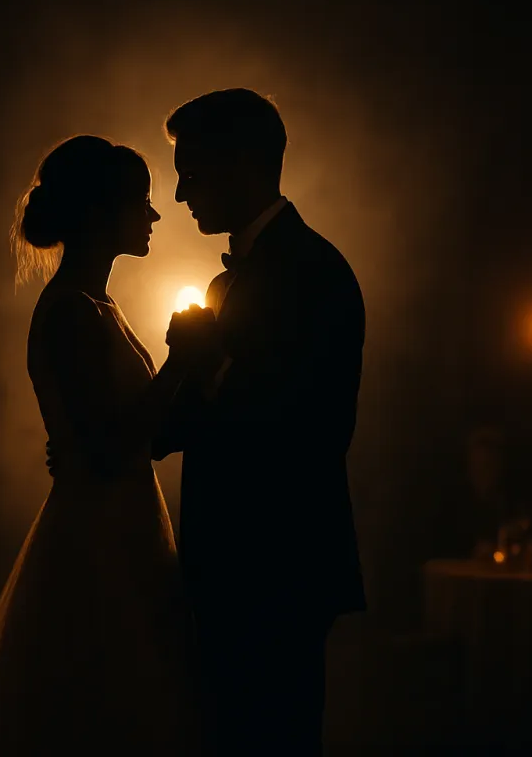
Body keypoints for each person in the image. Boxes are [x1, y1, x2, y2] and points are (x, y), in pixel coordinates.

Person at [0, 136, 209, 755]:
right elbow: (110, 448)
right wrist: (181, 361)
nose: (155, 215)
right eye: (141, 201)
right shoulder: (69, 313)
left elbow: (131, 429)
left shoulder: (97, 305)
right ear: (99, 213)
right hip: (100, 534)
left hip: (120, 524)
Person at [154, 88, 366, 756]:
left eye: (191, 170)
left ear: (242, 163)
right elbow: (181, 428)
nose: (182, 192)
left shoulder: (317, 272)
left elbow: (315, 431)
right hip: (228, 569)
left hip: (279, 568)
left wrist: (208, 364)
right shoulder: (224, 285)